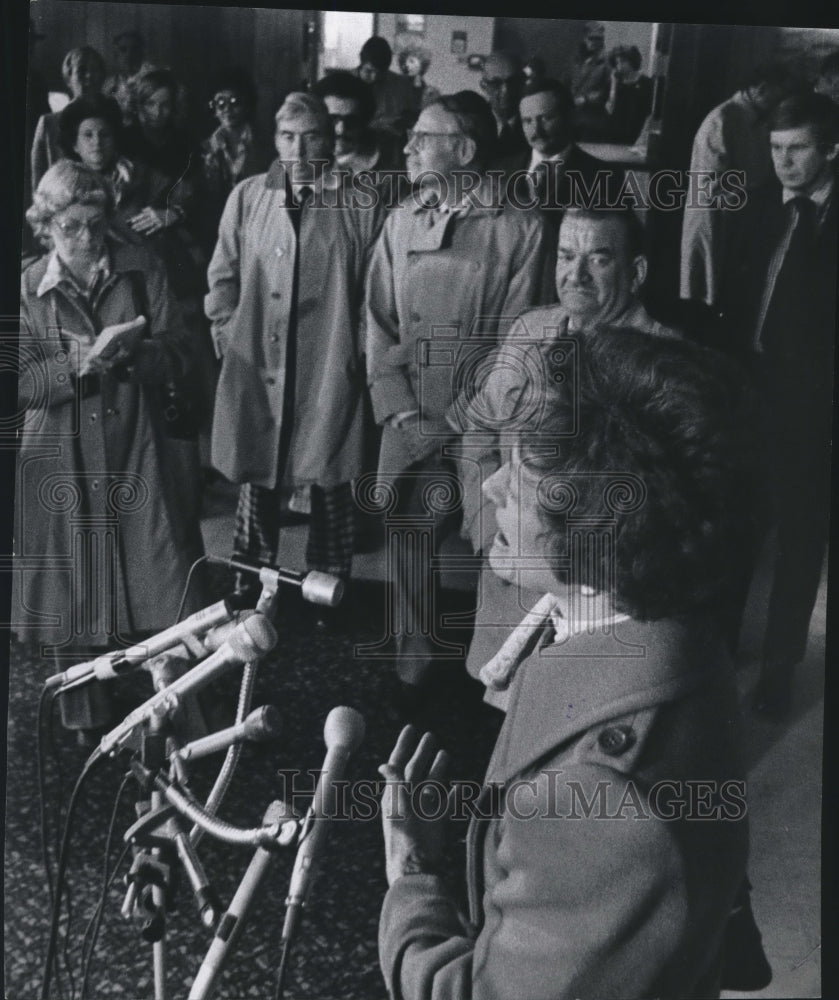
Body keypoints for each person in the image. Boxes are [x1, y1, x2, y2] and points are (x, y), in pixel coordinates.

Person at [378, 328, 763, 999]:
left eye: (520, 484)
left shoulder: (604, 804)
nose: (491, 484)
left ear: (592, 555)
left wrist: (410, 872)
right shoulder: (676, 636)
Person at [365, 91, 555, 703]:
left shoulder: (520, 227)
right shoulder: (402, 220)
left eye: (425, 136)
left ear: (465, 149)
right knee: (408, 529)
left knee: (495, 544)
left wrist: (448, 421)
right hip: (409, 411)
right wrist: (399, 410)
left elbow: (517, 342)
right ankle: (412, 664)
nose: (410, 147)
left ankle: (495, 678)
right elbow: (376, 322)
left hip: (483, 424)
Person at [451, 207, 679, 697]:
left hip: (597, 605)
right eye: (565, 256)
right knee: (506, 704)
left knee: (572, 725)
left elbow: (660, 506)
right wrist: (488, 524)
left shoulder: (666, 363)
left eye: (597, 259)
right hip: (513, 575)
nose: (574, 275)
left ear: (635, 272)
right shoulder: (530, 330)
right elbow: (480, 427)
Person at [15, 161, 206, 729]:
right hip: (60, 450)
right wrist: (80, 363)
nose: (86, 238)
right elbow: (21, 382)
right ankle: (83, 715)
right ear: (45, 226)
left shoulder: (141, 268)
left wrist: (135, 355)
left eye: (97, 224)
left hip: (139, 443)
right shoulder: (26, 286)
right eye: (70, 226)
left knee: (161, 576)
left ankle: (180, 707)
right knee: (72, 586)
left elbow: (181, 351)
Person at [205, 93, 386, 610]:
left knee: (330, 476)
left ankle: (328, 586)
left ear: (330, 140)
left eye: (311, 136)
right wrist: (224, 332)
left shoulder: (360, 199)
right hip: (258, 359)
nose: (300, 148)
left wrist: (357, 358)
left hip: (329, 363)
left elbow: (373, 291)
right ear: (275, 140)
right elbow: (223, 273)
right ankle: (248, 578)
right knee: (258, 472)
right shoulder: (248, 196)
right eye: (288, 136)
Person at [719, 93, 838, 720]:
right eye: (774, 148)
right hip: (750, 389)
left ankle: (780, 666)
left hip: (814, 408)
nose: (783, 161)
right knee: (734, 525)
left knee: (798, 541)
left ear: (831, 149)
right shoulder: (763, 205)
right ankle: (717, 649)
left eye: (796, 149)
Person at [679, 64, 794, 307]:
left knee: (727, 289)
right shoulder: (723, 119)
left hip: (739, 215)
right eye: (778, 94)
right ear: (762, 89)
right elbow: (710, 182)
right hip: (716, 215)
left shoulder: (756, 120)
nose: (779, 102)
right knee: (706, 291)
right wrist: (755, 187)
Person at [499, 79, 624, 237]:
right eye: (527, 121)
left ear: (569, 117)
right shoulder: (501, 170)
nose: (536, 130)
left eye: (545, 118)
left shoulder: (605, 177)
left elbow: (617, 238)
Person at [198, 68, 273, 257]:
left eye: (234, 102)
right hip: (218, 232)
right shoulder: (205, 148)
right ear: (213, 108)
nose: (227, 110)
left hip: (257, 228)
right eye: (220, 103)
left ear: (247, 105)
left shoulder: (265, 145)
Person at [30, 46, 111, 191]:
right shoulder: (48, 124)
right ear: (68, 79)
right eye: (81, 70)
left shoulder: (113, 120)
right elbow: (38, 182)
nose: (89, 76)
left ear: (103, 77)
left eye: (95, 70)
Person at [312, 70, 404, 179]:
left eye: (351, 121)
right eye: (332, 119)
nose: (341, 129)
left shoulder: (387, 171)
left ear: (365, 121)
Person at [357, 36, 417, 138]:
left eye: (381, 72)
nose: (375, 77)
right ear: (361, 62)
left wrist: (403, 122)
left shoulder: (401, 84)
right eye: (369, 71)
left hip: (391, 144)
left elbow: (411, 116)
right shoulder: (345, 84)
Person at [480, 51, 528, 161]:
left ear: (523, 81)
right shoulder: (473, 123)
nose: (506, 90)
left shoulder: (535, 122)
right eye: (496, 83)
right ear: (484, 86)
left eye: (513, 81)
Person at [102, 29, 157, 125]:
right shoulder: (108, 86)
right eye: (123, 50)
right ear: (116, 56)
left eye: (134, 49)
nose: (129, 55)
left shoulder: (155, 81)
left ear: (142, 53)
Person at [603, 44, 653, 144]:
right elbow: (610, 109)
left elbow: (649, 113)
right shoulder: (615, 82)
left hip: (635, 131)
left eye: (623, 61)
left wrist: (643, 136)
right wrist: (613, 84)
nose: (619, 66)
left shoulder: (646, 83)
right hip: (613, 133)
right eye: (617, 63)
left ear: (632, 61)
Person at [569, 20, 610, 139]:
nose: (592, 42)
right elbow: (569, 83)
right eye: (590, 38)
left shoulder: (606, 63)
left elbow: (607, 90)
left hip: (592, 119)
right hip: (573, 116)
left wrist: (585, 99)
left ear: (601, 41)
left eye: (597, 39)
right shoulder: (577, 62)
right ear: (584, 39)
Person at [398, 45, 441, 114]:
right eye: (404, 62)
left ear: (422, 64)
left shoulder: (430, 93)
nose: (406, 65)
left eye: (411, 61)